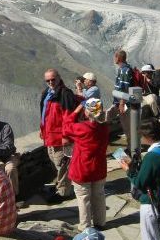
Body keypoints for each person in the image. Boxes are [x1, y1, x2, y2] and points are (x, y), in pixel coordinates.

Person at [63, 98, 110, 230]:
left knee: (84, 198)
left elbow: (66, 127)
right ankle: (100, 223)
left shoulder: (82, 128)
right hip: (99, 167)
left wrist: (76, 110)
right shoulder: (104, 127)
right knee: (99, 196)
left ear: (87, 112)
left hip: (82, 169)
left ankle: (85, 226)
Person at [40, 68, 79, 203]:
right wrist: (42, 129)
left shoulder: (65, 94)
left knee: (62, 163)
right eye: (48, 80)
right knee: (55, 161)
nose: (50, 82)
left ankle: (64, 192)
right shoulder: (47, 93)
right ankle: (62, 186)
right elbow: (45, 113)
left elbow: (68, 116)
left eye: (53, 79)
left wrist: (66, 136)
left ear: (58, 78)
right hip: (49, 135)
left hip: (59, 137)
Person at [113, 50, 135, 140]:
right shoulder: (124, 68)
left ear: (118, 58)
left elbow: (125, 88)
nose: (114, 59)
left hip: (125, 102)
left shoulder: (124, 70)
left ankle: (132, 147)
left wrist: (122, 103)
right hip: (123, 101)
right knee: (126, 123)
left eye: (115, 57)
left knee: (127, 124)